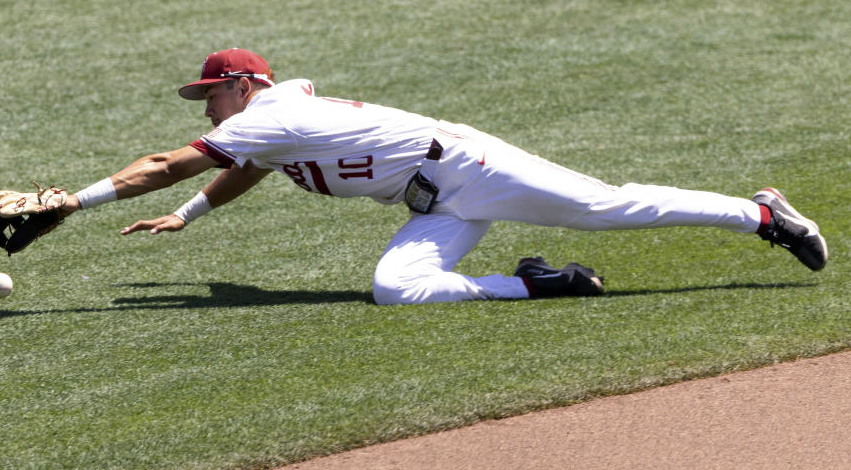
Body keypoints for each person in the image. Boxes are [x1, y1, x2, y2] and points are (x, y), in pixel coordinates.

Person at [56, 48, 828, 305]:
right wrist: (190, 216)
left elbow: (166, 162)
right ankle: (538, 283)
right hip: (436, 198)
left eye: (212, 92)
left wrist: (69, 200)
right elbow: (247, 168)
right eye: (204, 97)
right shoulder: (268, 126)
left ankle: (762, 215)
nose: (208, 104)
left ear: (248, 86)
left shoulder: (267, 114)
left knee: (607, 206)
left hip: (469, 169)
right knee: (397, 288)